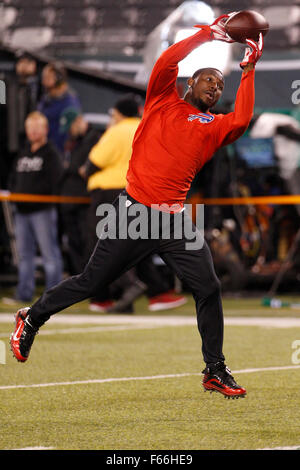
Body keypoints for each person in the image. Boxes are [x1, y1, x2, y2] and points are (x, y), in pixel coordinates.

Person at [10, 14, 264, 399]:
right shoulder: (162, 100)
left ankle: (214, 369)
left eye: (220, 84)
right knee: (91, 282)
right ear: (190, 82)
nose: (214, 86)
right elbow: (166, 63)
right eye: (208, 78)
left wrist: (249, 68)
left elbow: (242, 118)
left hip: (175, 221)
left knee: (209, 287)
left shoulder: (212, 127)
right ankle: (32, 317)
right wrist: (206, 34)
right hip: (134, 213)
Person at [80, 94, 186, 313]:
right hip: (140, 192)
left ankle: (104, 296)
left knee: (100, 246)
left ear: (118, 113)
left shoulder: (115, 132)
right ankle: (157, 293)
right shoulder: (147, 127)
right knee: (137, 245)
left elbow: (93, 163)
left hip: (108, 194)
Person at [7, 111, 64, 302]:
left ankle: (53, 297)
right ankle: (23, 294)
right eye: (30, 128)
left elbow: (56, 181)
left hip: (42, 211)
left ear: (45, 130)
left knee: (50, 254)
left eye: (37, 128)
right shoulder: (23, 152)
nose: (33, 131)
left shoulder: (51, 153)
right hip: (21, 212)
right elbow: (13, 177)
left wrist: (40, 196)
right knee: (24, 256)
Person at [60, 111, 101, 275]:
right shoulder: (74, 142)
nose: (69, 132)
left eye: (70, 127)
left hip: (86, 202)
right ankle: (79, 280)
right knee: (74, 243)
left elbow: (83, 168)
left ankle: (91, 280)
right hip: (70, 202)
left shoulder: (94, 139)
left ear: (78, 121)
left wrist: (71, 168)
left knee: (89, 243)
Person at [37, 61, 81, 153]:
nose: (43, 81)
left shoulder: (70, 103)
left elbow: (71, 137)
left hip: (58, 153)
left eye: (47, 77)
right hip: (44, 150)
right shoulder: (46, 99)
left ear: (59, 78)